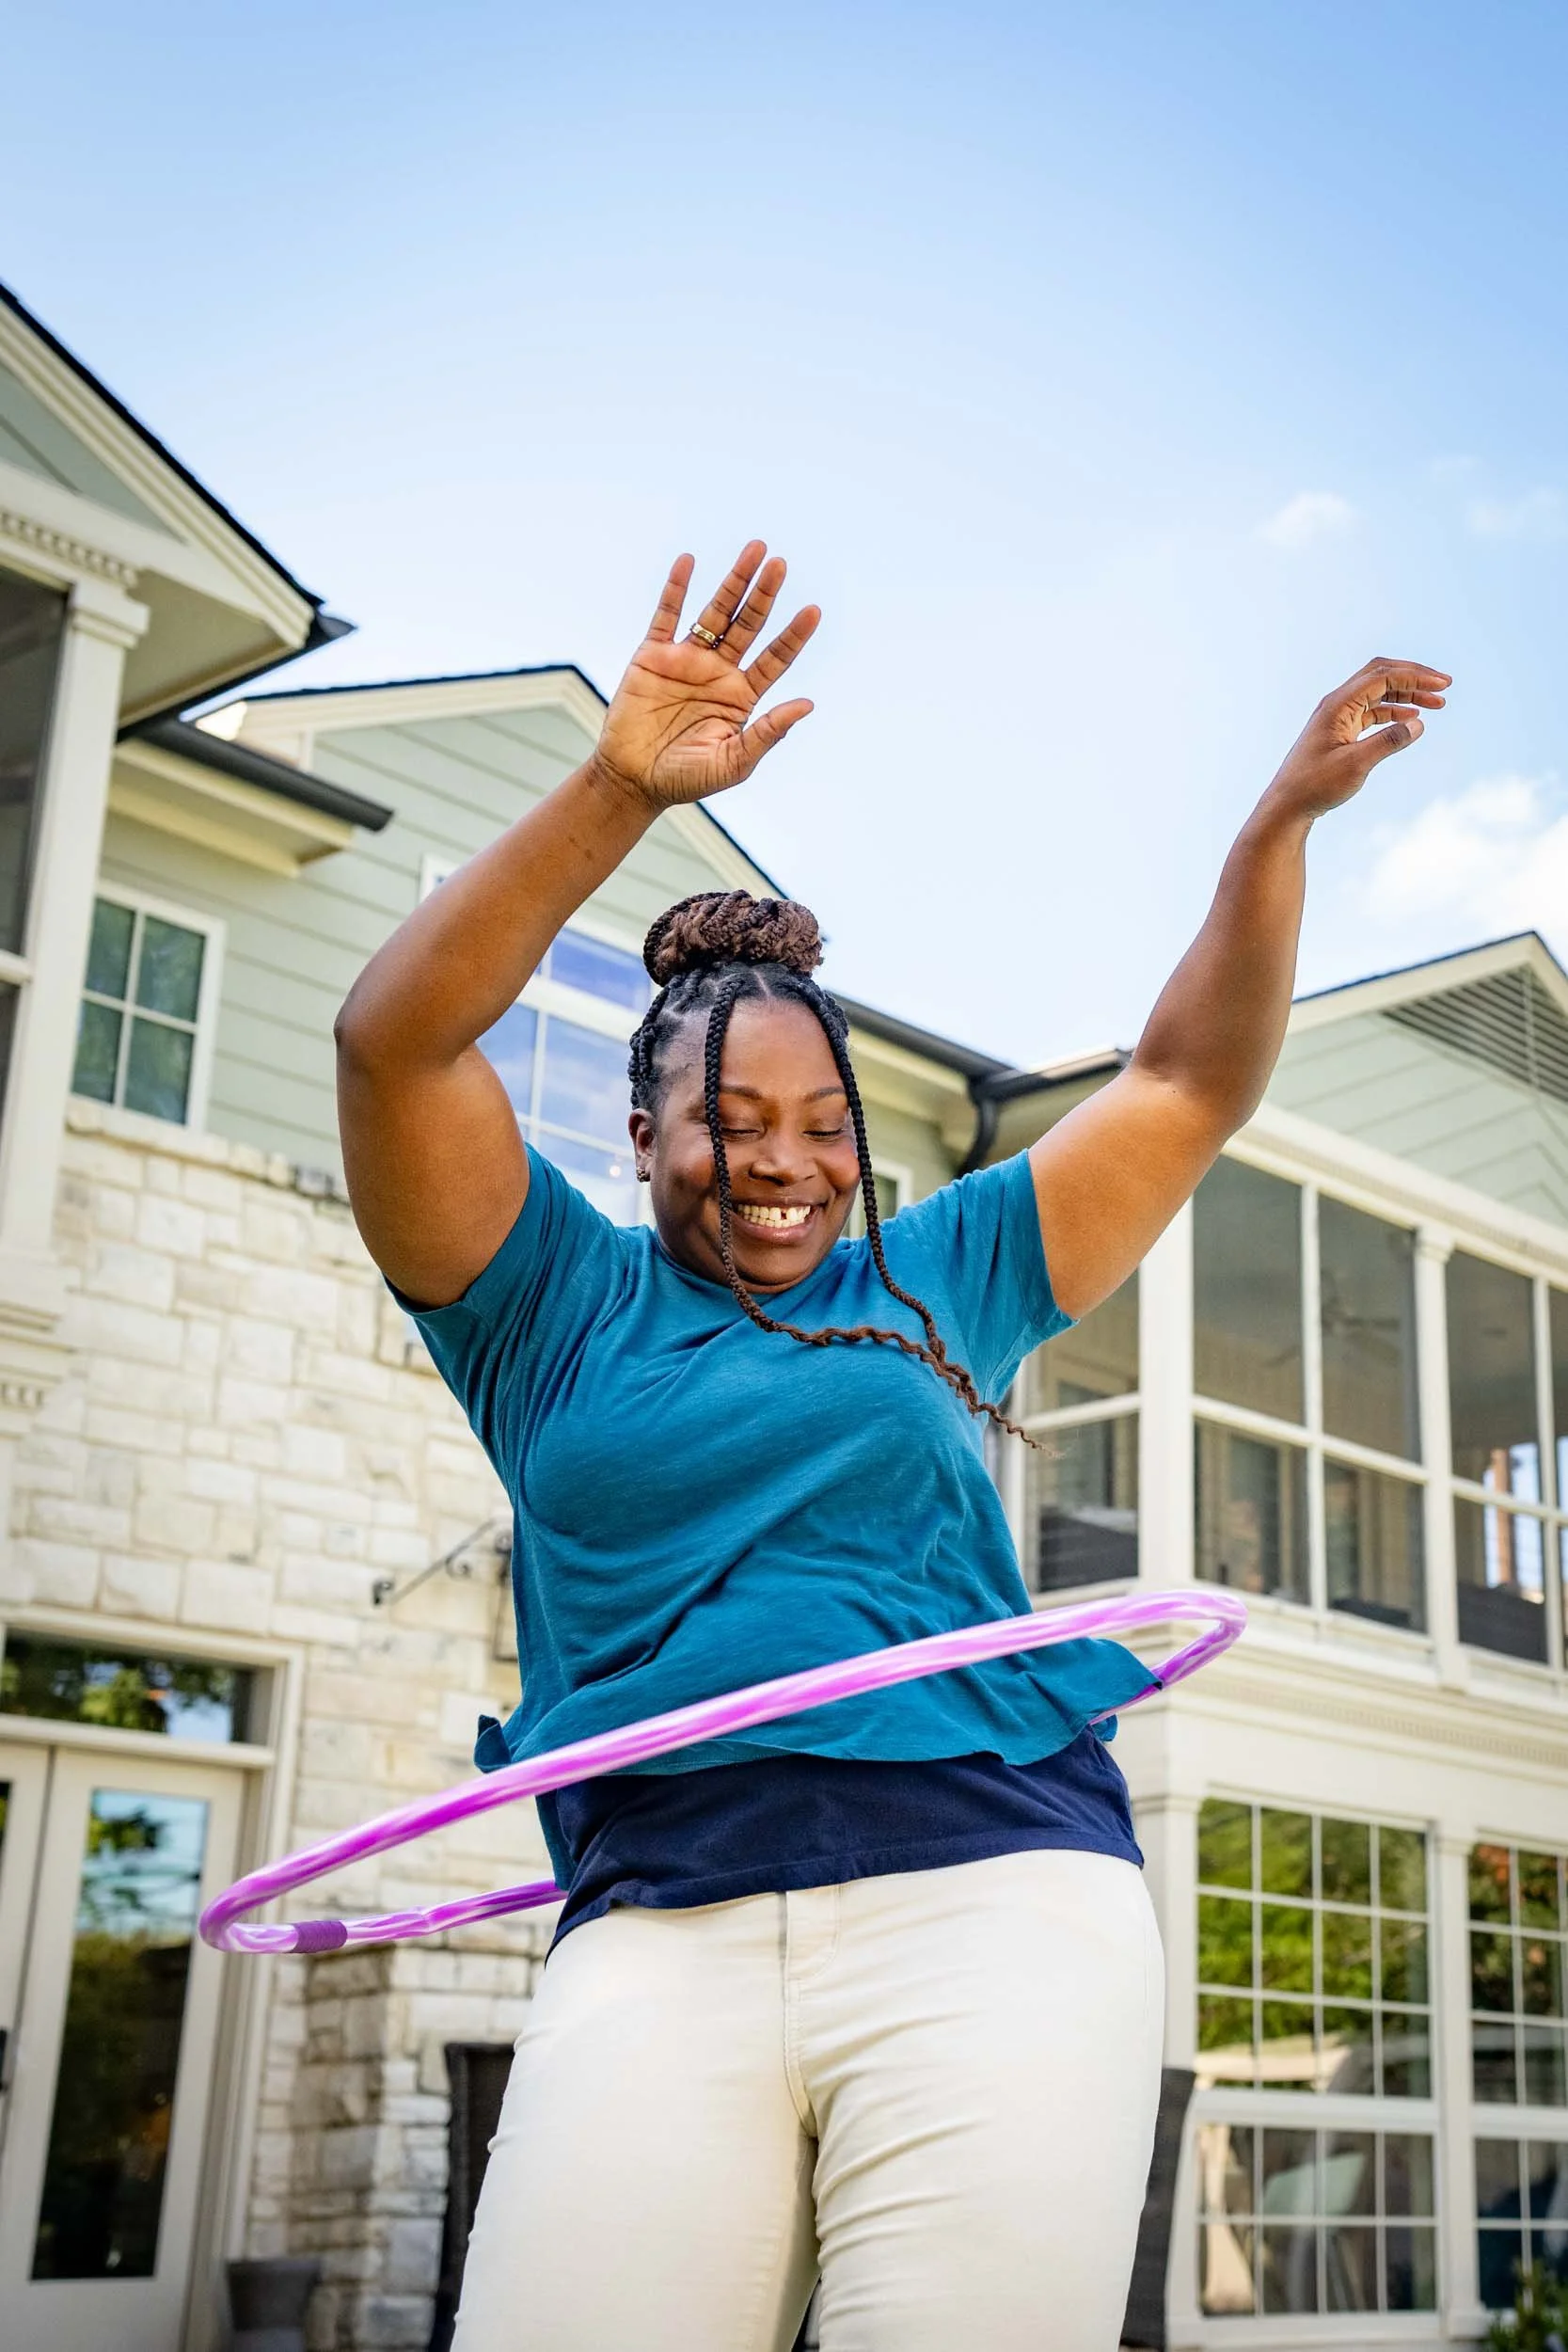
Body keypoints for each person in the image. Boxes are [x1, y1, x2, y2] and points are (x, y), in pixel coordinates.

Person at [334, 542, 1448, 2352]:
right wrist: (622, 785)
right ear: (637, 1133)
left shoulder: (938, 1274)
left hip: (989, 1879)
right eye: (730, 1122)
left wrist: (1276, 827)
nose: (782, 1160)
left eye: (820, 1123)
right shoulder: (540, 1306)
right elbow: (392, 1043)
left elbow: (1184, 1085)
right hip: (655, 1909)